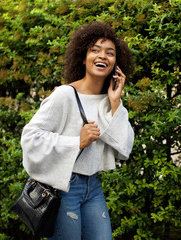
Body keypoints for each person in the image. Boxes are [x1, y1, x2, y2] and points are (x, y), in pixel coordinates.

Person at [20, 21, 135, 240]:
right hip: (64, 189)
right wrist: (77, 142)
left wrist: (115, 102)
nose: (103, 56)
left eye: (110, 53)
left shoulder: (109, 101)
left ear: (116, 64)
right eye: (95, 50)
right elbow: (30, 137)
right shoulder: (64, 95)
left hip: (94, 188)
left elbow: (125, 147)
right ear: (83, 57)